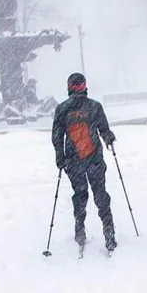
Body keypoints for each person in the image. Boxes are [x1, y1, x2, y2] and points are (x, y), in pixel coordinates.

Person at [51, 72, 118, 254]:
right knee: (100, 195)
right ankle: (109, 234)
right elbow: (104, 129)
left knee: (80, 195)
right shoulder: (94, 106)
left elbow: (57, 136)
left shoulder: (62, 109)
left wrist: (60, 157)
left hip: (74, 161)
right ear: (84, 86)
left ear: (69, 88)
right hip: (94, 158)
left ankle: (79, 230)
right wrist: (109, 139)